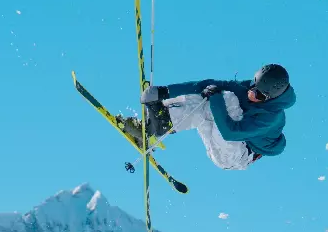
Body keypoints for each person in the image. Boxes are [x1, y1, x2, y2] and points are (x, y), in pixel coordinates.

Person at [116, 63, 293, 170]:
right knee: (207, 98)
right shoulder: (248, 89)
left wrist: (215, 97)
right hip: (223, 142)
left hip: (236, 155)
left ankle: (158, 125)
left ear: (271, 98)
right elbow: (208, 85)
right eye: (253, 87)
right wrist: (165, 91)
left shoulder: (271, 117)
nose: (252, 95)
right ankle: (154, 124)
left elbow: (230, 133)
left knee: (223, 98)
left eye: (260, 96)